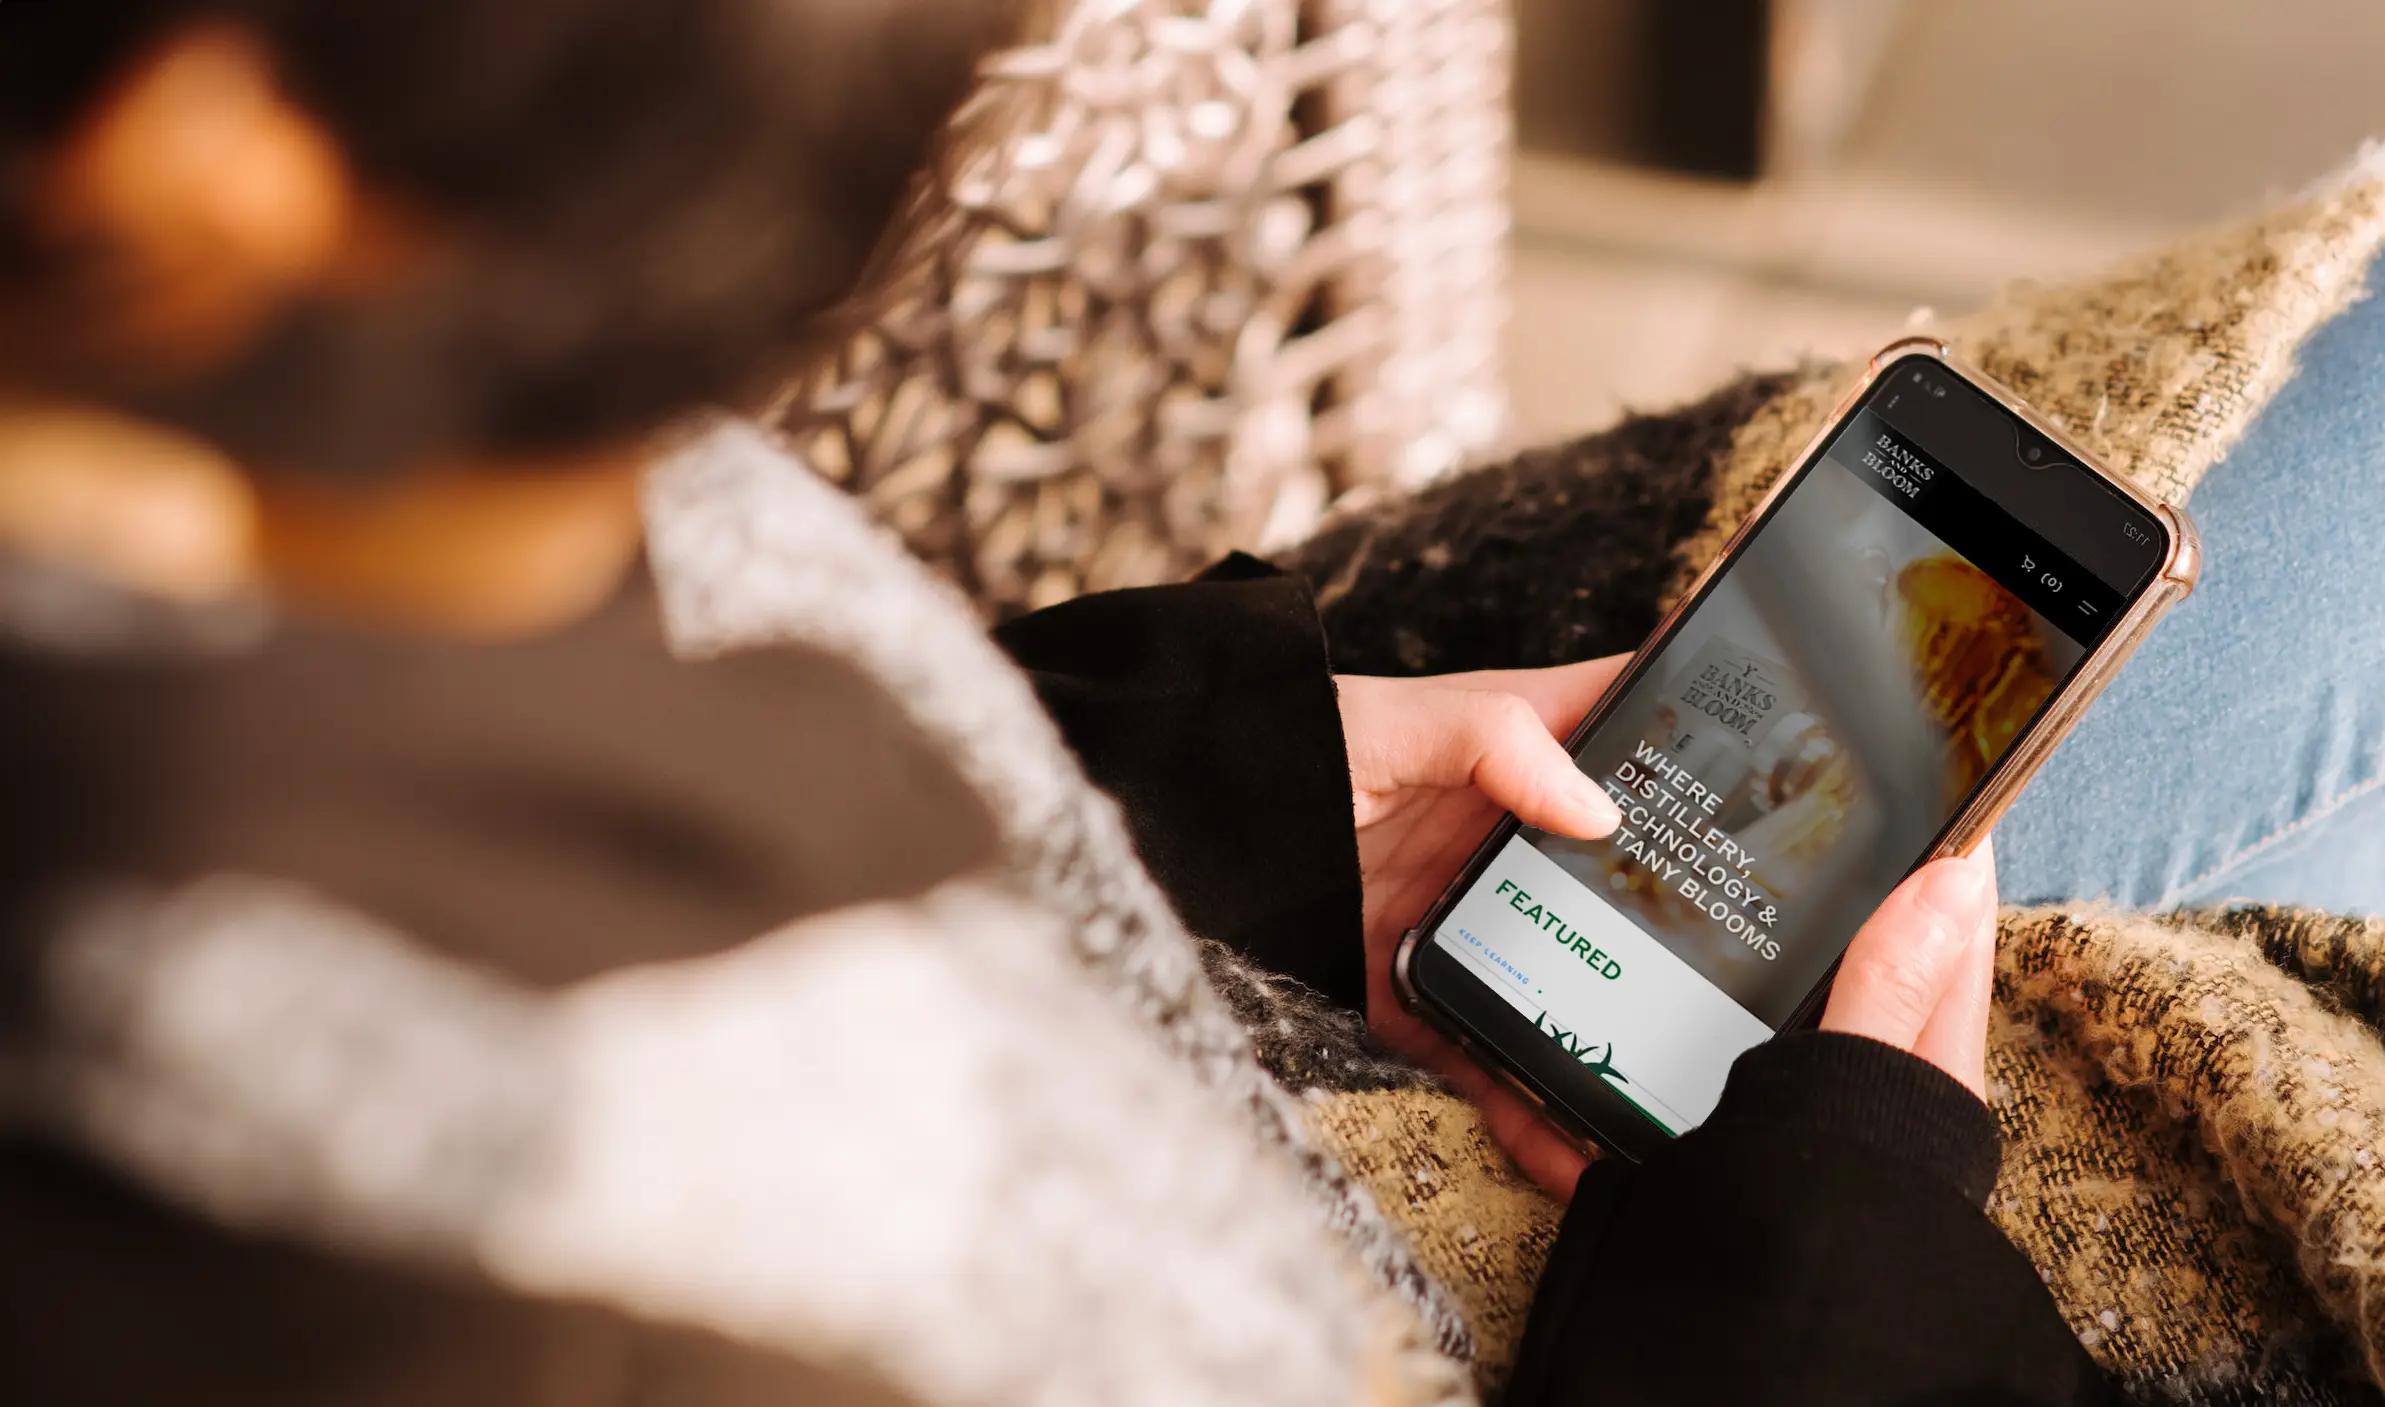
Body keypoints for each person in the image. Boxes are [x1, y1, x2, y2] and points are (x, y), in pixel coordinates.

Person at [0, 3, 2083, 1405]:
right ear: (200, 141)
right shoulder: (399, 1182)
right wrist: (1826, 1302)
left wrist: (1244, 796)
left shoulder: (275, 456)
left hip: (1222, 946)